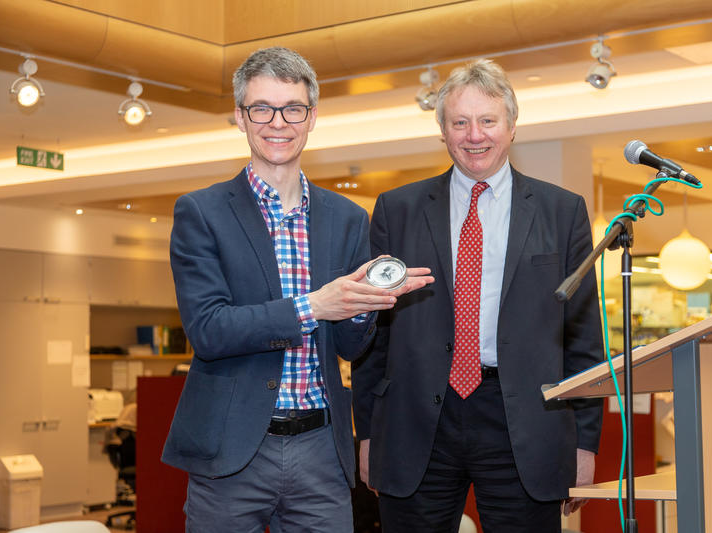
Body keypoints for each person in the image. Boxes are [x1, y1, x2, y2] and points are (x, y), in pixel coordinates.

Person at [161, 47, 433, 533]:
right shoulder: (201, 212)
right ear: (241, 118)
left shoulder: (347, 218)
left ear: (311, 119)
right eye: (261, 108)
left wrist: (366, 304)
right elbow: (208, 330)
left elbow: (352, 346)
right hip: (231, 450)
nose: (277, 122)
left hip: (320, 450)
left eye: (293, 108)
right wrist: (315, 306)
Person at [352, 59, 604, 532]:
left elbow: (584, 340)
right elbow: (374, 336)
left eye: (488, 120)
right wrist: (367, 434)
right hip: (416, 423)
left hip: (525, 423)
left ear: (511, 126)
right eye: (460, 122)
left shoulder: (563, 212)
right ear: (443, 132)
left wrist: (584, 444)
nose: (475, 135)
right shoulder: (396, 210)